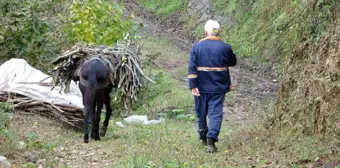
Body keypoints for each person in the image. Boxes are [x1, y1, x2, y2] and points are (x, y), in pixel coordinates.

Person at [188, 20, 237, 153]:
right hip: (219, 87)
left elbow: (192, 67)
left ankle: (203, 136)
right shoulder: (225, 47)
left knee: (201, 112)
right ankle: (211, 140)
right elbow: (233, 62)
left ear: (205, 32)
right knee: (215, 113)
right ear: (218, 32)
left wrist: (192, 85)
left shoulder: (196, 47)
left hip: (200, 87)